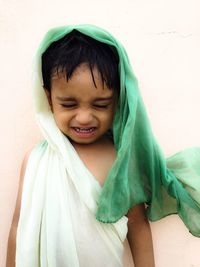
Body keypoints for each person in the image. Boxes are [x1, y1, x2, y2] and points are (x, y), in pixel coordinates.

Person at [6, 24, 200, 267]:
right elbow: (18, 225)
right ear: (49, 99)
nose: (84, 117)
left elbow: (137, 226)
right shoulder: (34, 160)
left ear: (117, 101)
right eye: (69, 104)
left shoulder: (119, 159)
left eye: (100, 105)